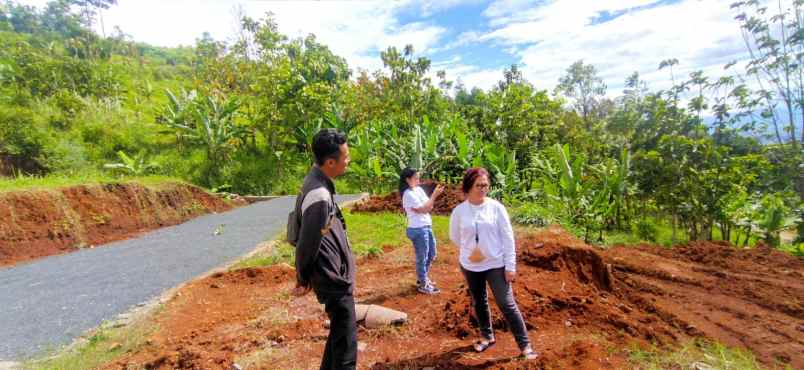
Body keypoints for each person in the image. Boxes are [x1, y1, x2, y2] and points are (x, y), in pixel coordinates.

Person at [448, 167, 538, 360]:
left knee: (506, 304)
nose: (483, 189)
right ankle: (486, 336)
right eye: (478, 185)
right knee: (479, 300)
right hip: (471, 266)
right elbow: (455, 237)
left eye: (486, 185)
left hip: (496, 264)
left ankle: (525, 346)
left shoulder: (496, 207)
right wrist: (471, 251)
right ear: (468, 186)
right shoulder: (459, 211)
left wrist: (510, 266)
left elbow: (508, 237)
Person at [292, 128, 357, 370]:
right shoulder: (319, 195)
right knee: (346, 348)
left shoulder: (318, 182)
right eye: (346, 156)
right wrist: (302, 277)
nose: (348, 161)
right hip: (331, 280)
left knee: (339, 337)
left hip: (332, 275)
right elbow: (306, 245)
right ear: (330, 162)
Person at [399, 168, 444, 294]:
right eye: (416, 178)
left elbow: (430, 206)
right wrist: (434, 195)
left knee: (432, 253)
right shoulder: (408, 194)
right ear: (407, 180)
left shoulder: (418, 190)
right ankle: (423, 283)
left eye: (419, 178)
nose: (419, 180)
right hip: (417, 229)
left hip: (426, 226)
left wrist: (430, 202)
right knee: (422, 256)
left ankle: (422, 278)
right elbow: (424, 208)